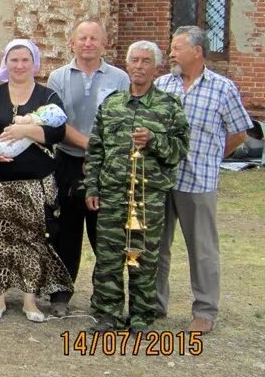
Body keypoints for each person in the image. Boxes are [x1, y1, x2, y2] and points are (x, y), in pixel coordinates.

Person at [84, 41, 189, 332]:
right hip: (112, 194)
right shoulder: (112, 103)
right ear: (127, 65)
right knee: (108, 257)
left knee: (143, 257)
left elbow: (180, 149)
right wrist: (92, 188)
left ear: (156, 68)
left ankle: (142, 315)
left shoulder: (169, 106)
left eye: (146, 61)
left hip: (148, 197)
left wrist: (154, 141)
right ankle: (108, 313)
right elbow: (96, 150)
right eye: (134, 60)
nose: (139, 66)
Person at [155, 26, 252, 333]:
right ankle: (155, 304)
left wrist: (213, 157)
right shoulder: (162, 85)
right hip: (162, 180)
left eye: (177, 48)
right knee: (156, 247)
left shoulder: (223, 88)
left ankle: (205, 312)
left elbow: (239, 132)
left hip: (199, 184)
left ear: (197, 52)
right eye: (171, 48)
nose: (171, 53)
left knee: (202, 249)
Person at [0, 39, 72, 322]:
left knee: (33, 238)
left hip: (35, 180)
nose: (19, 65)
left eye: (25, 60)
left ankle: (30, 300)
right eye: (13, 60)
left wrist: (25, 131)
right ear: (5, 63)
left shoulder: (48, 96)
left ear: (34, 63)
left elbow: (58, 133)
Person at [46, 20, 129, 317]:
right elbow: (57, 122)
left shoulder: (120, 79)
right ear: (72, 42)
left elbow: (123, 121)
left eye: (94, 38)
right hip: (67, 162)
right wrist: (91, 145)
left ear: (104, 44)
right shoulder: (58, 77)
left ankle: (104, 298)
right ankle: (60, 296)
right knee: (66, 232)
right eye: (82, 37)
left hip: (107, 166)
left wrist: (100, 152)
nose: (88, 43)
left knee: (103, 233)